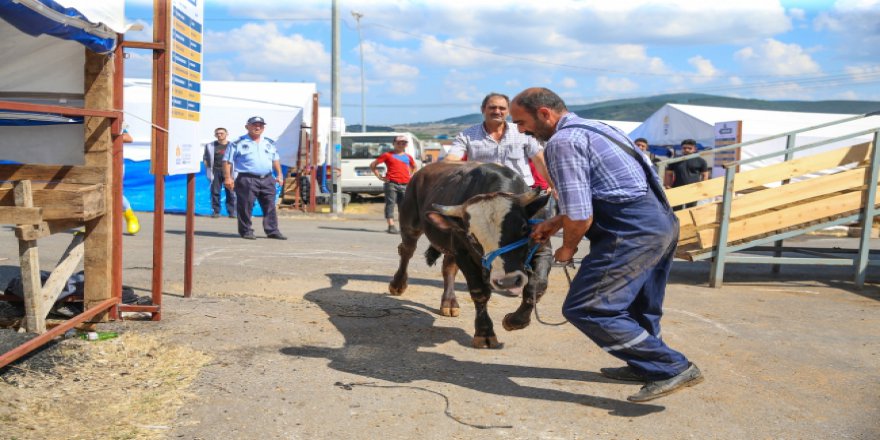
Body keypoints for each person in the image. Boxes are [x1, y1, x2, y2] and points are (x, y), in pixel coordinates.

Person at [510, 87, 702, 403]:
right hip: (659, 221)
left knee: (587, 307)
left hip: (630, 231)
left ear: (544, 113)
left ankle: (670, 367)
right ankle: (645, 365)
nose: (521, 130)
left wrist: (568, 247)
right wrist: (557, 221)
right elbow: (602, 191)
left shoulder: (563, 142)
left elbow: (582, 214)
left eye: (522, 122)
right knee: (641, 304)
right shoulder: (598, 127)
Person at [445, 92, 553, 190]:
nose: (497, 112)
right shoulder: (466, 135)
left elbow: (539, 160)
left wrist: (553, 186)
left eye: (502, 108)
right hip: (481, 191)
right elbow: (451, 160)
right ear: (483, 109)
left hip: (520, 191)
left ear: (508, 111)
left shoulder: (523, 132)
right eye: (492, 108)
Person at [223, 116, 286, 240]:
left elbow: (275, 159)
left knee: (270, 205)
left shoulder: (269, 142)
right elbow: (227, 161)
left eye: (260, 125)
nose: (257, 127)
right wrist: (228, 178)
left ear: (263, 128)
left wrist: (279, 174)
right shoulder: (237, 143)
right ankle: (246, 231)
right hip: (247, 178)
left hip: (268, 178)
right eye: (254, 125)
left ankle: (272, 230)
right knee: (246, 206)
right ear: (247, 127)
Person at [370, 135, 417, 234]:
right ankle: (391, 225)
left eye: (403, 143)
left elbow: (414, 166)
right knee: (390, 204)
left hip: (405, 184)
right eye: (398, 143)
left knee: (404, 206)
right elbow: (373, 165)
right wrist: (379, 176)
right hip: (391, 183)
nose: (401, 145)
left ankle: (403, 226)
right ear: (394, 144)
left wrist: (411, 176)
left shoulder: (408, 157)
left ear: (406, 145)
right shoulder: (387, 155)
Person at [664, 138, 709, 209]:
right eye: (684, 148)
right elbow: (668, 174)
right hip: (677, 189)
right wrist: (667, 185)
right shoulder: (675, 160)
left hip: (693, 189)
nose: (687, 150)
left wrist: (701, 187)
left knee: (691, 209)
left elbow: (705, 175)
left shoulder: (701, 161)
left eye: (689, 148)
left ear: (694, 149)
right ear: (681, 148)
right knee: (676, 210)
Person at [204, 127, 236, 218]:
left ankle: (232, 212)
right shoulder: (210, 146)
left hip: (229, 172)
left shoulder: (232, 146)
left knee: (231, 192)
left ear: (226, 134)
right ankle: (216, 211)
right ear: (215, 135)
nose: (219, 135)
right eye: (217, 133)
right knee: (215, 192)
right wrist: (208, 167)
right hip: (215, 172)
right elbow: (205, 158)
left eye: (221, 133)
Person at [121, 126, 139, 235]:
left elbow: (129, 138)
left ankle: (130, 216)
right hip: (89, 160)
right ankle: (91, 224)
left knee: (114, 191)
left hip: (114, 160)